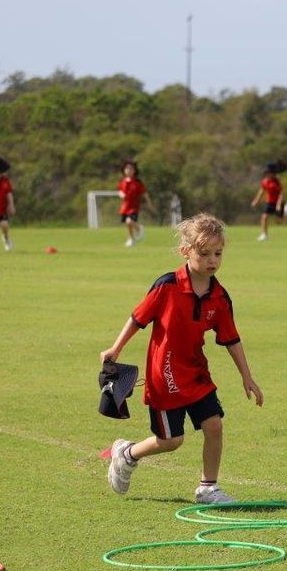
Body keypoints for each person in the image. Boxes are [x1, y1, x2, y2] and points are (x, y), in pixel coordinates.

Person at [100, 214, 264, 504]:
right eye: (205, 253)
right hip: (164, 375)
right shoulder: (167, 286)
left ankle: (208, 488)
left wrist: (247, 376)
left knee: (214, 425)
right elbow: (138, 318)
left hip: (196, 373)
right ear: (185, 251)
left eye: (218, 253)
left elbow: (231, 338)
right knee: (171, 441)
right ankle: (127, 453)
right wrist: (116, 349)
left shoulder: (219, 297)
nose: (212, 260)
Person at [118, 160, 154, 248]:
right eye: (127, 168)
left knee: (129, 221)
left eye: (131, 168)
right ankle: (131, 239)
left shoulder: (137, 182)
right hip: (125, 207)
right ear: (124, 170)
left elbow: (145, 194)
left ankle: (139, 229)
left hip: (134, 207)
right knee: (128, 224)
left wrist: (149, 204)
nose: (129, 170)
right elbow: (120, 190)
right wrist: (121, 194)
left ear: (134, 170)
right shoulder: (122, 181)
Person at [250, 161, 287, 241]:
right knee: (264, 216)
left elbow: (282, 193)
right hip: (270, 202)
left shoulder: (278, 181)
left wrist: (279, 204)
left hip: (279, 202)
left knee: (279, 222)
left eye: (270, 172)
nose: (268, 174)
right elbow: (261, 191)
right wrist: (256, 201)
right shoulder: (265, 181)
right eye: (267, 172)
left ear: (273, 173)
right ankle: (264, 235)